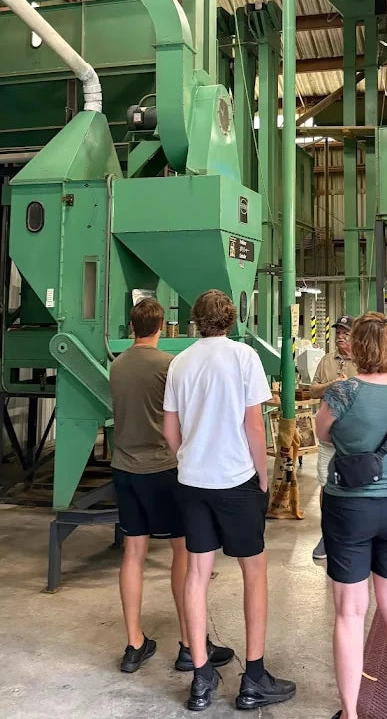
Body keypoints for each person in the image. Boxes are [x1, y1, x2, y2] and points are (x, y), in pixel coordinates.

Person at [163, 289, 296, 712]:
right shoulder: (243, 357)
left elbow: (169, 429)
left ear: (195, 320)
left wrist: (188, 458)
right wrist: (262, 474)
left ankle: (201, 677)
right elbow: (254, 426)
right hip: (236, 480)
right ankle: (253, 678)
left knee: (196, 573)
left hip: (192, 481)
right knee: (253, 573)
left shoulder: (180, 362)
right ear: (232, 319)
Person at [109, 297, 232, 675]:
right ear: (162, 327)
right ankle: (189, 644)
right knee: (183, 553)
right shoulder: (169, 365)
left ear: (132, 327)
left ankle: (134, 643)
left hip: (124, 469)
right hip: (163, 469)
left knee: (133, 553)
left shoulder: (116, 366)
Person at [315, 312, 387, 719]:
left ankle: (350, 713)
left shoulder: (343, 392)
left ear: (356, 348)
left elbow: (322, 433)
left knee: (350, 612)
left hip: (349, 507)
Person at [311, 315, 358, 562]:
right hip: (329, 436)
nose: (341, 336)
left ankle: (354, 534)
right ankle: (328, 534)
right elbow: (313, 389)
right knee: (326, 484)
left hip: (354, 438)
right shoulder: (327, 360)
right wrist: (332, 384)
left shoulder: (362, 361)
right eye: (338, 332)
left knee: (355, 484)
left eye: (345, 333)